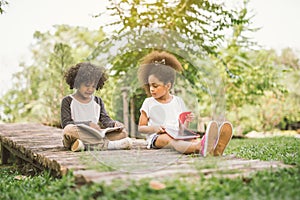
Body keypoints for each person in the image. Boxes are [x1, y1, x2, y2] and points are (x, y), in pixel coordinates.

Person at [137, 50, 233, 156]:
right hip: (157, 137)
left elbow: (182, 128)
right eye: (150, 85)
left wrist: (185, 121)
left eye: (155, 86)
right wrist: (155, 128)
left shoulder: (178, 101)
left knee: (190, 140)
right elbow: (141, 127)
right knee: (172, 141)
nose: (151, 89)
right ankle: (200, 147)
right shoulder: (149, 102)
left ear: (167, 86)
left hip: (177, 134)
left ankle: (215, 150)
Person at [61, 62, 132, 152]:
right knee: (68, 130)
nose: (90, 89)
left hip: (95, 135)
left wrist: (114, 124)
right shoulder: (67, 101)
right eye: (87, 85)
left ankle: (84, 145)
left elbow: (105, 119)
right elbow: (66, 123)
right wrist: (88, 124)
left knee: (123, 134)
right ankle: (108, 145)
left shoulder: (98, 101)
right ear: (77, 83)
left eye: (93, 86)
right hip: (75, 134)